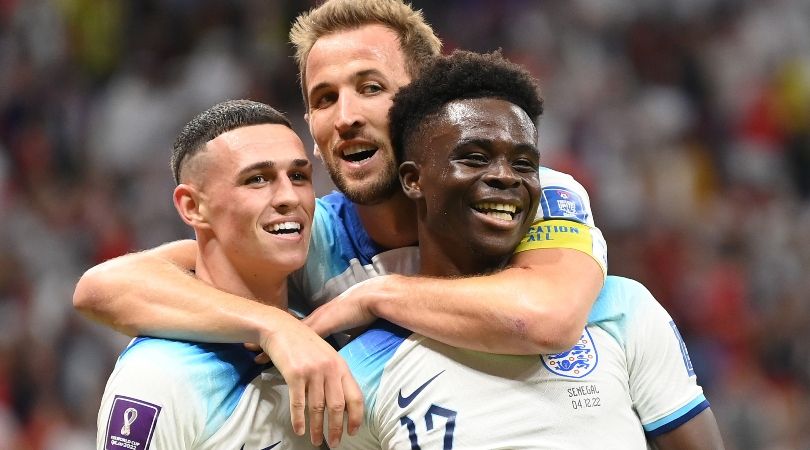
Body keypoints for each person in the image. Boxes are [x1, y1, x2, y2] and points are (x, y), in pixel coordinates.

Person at [75, 0, 605, 447]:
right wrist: (276, 326)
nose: (346, 114)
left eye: (371, 87)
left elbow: (547, 318)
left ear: (425, 102)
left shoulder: (517, 196)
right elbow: (105, 287)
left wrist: (375, 297)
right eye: (324, 98)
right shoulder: (311, 236)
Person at [337, 50, 724, 450]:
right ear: (413, 180)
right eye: (475, 158)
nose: (505, 177)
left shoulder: (621, 309)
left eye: (524, 164)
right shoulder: (359, 373)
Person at [96, 99, 345, 449]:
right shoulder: (157, 375)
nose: (290, 196)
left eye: (300, 176)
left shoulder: (328, 332)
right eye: (257, 179)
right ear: (193, 207)